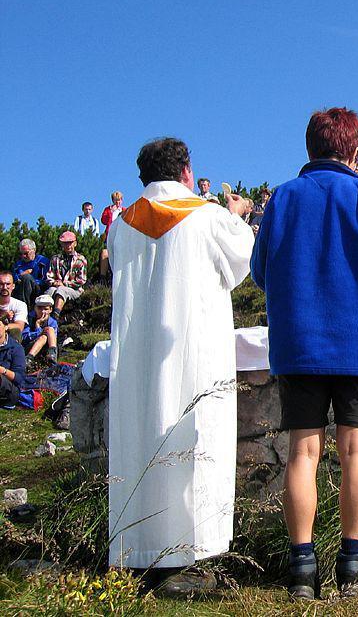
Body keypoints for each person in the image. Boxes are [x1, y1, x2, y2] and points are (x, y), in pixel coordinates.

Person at [251, 107, 358, 600]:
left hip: (299, 343)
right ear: (355, 151)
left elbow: (261, 271)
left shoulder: (283, 198)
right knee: (356, 451)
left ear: (310, 147)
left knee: (302, 452)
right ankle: (353, 568)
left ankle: (302, 569)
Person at [107, 137, 255, 594]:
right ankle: (192, 559)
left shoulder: (120, 226)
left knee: (138, 442)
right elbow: (240, 262)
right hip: (192, 354)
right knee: (195, 444)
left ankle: (137, 554)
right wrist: (238, 214)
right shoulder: (208, 216)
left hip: (137, 361)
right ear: (187, 171)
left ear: (144, 178)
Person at [46, 231, 87, 320]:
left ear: (75, 243)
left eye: (70, 243)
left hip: (75, 290)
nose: (68, 245)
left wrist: (64, 284)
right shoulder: (55, 259)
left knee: (61, 290)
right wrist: (55, 283)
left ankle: (55, 317)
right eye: (65, 243)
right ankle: (43, 317)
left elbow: (81, 280)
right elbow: (49, 276)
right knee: (50, 291)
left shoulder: (81, 260)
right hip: (57, 287)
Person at [22, 294, 58, 365]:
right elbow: (25, 337)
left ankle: (52, 355)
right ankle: (29, 358)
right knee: (44, 336)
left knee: (48, 331)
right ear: (35, 308)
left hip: (46, 348)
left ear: (50, 310)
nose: (42, 311)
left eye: (46, 309)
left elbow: (53, 338)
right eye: (40, 308)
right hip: (29, 347)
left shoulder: (53, 322)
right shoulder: (29, 319)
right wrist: (38, 326)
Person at [12, 239, 49, 307]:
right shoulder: (18, 265)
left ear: (34, 250)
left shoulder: (42, 261)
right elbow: (14, 280)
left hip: (38, 290)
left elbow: (45, 280)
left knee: (27, 278)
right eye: (21, 253)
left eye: (26, 253)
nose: (23, 256)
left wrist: (29, 279)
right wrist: (22, 275)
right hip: (20, 290)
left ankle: (24, 308)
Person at [0, 320, 27, 411]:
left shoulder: (16, 348)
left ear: (6, 327)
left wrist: (3, 371)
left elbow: (19, 379)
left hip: (10, 391)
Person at [99, 191, 125, 278]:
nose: (118, 202)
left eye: (120, 200)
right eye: (116, 200)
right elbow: (103, 221)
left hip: (121, 237)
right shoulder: (108, 209)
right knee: (105, 253)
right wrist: (111, 212)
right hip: (110, 236)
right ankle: (102, 278)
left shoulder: (125, 210)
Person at [0, 271, 27, 342]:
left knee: (16, 332)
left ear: (13, 286)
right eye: (1, 284)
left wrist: (3, 327)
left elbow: (19, 326)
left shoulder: (20, 305)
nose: (4, 287)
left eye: (8, 284)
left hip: (10, 339)